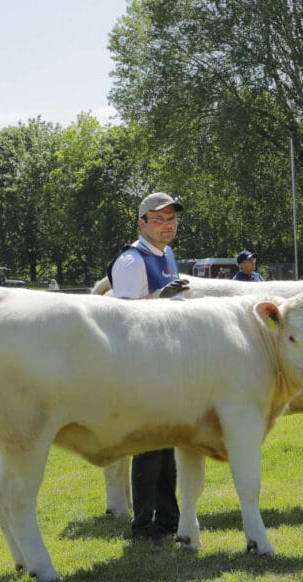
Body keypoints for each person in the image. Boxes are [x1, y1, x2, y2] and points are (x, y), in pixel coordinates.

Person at [108, 192, 189, 542]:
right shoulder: (132, 260)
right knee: (148, 448)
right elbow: (122, 317)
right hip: (141, 364)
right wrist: (160, 298)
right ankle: (143, 524)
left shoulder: (166, 254)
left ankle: (168, 520)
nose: (167, 224)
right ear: (141, 222)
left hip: (166, 361)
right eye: (158, 218)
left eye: (171, 218)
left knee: (168, 445)